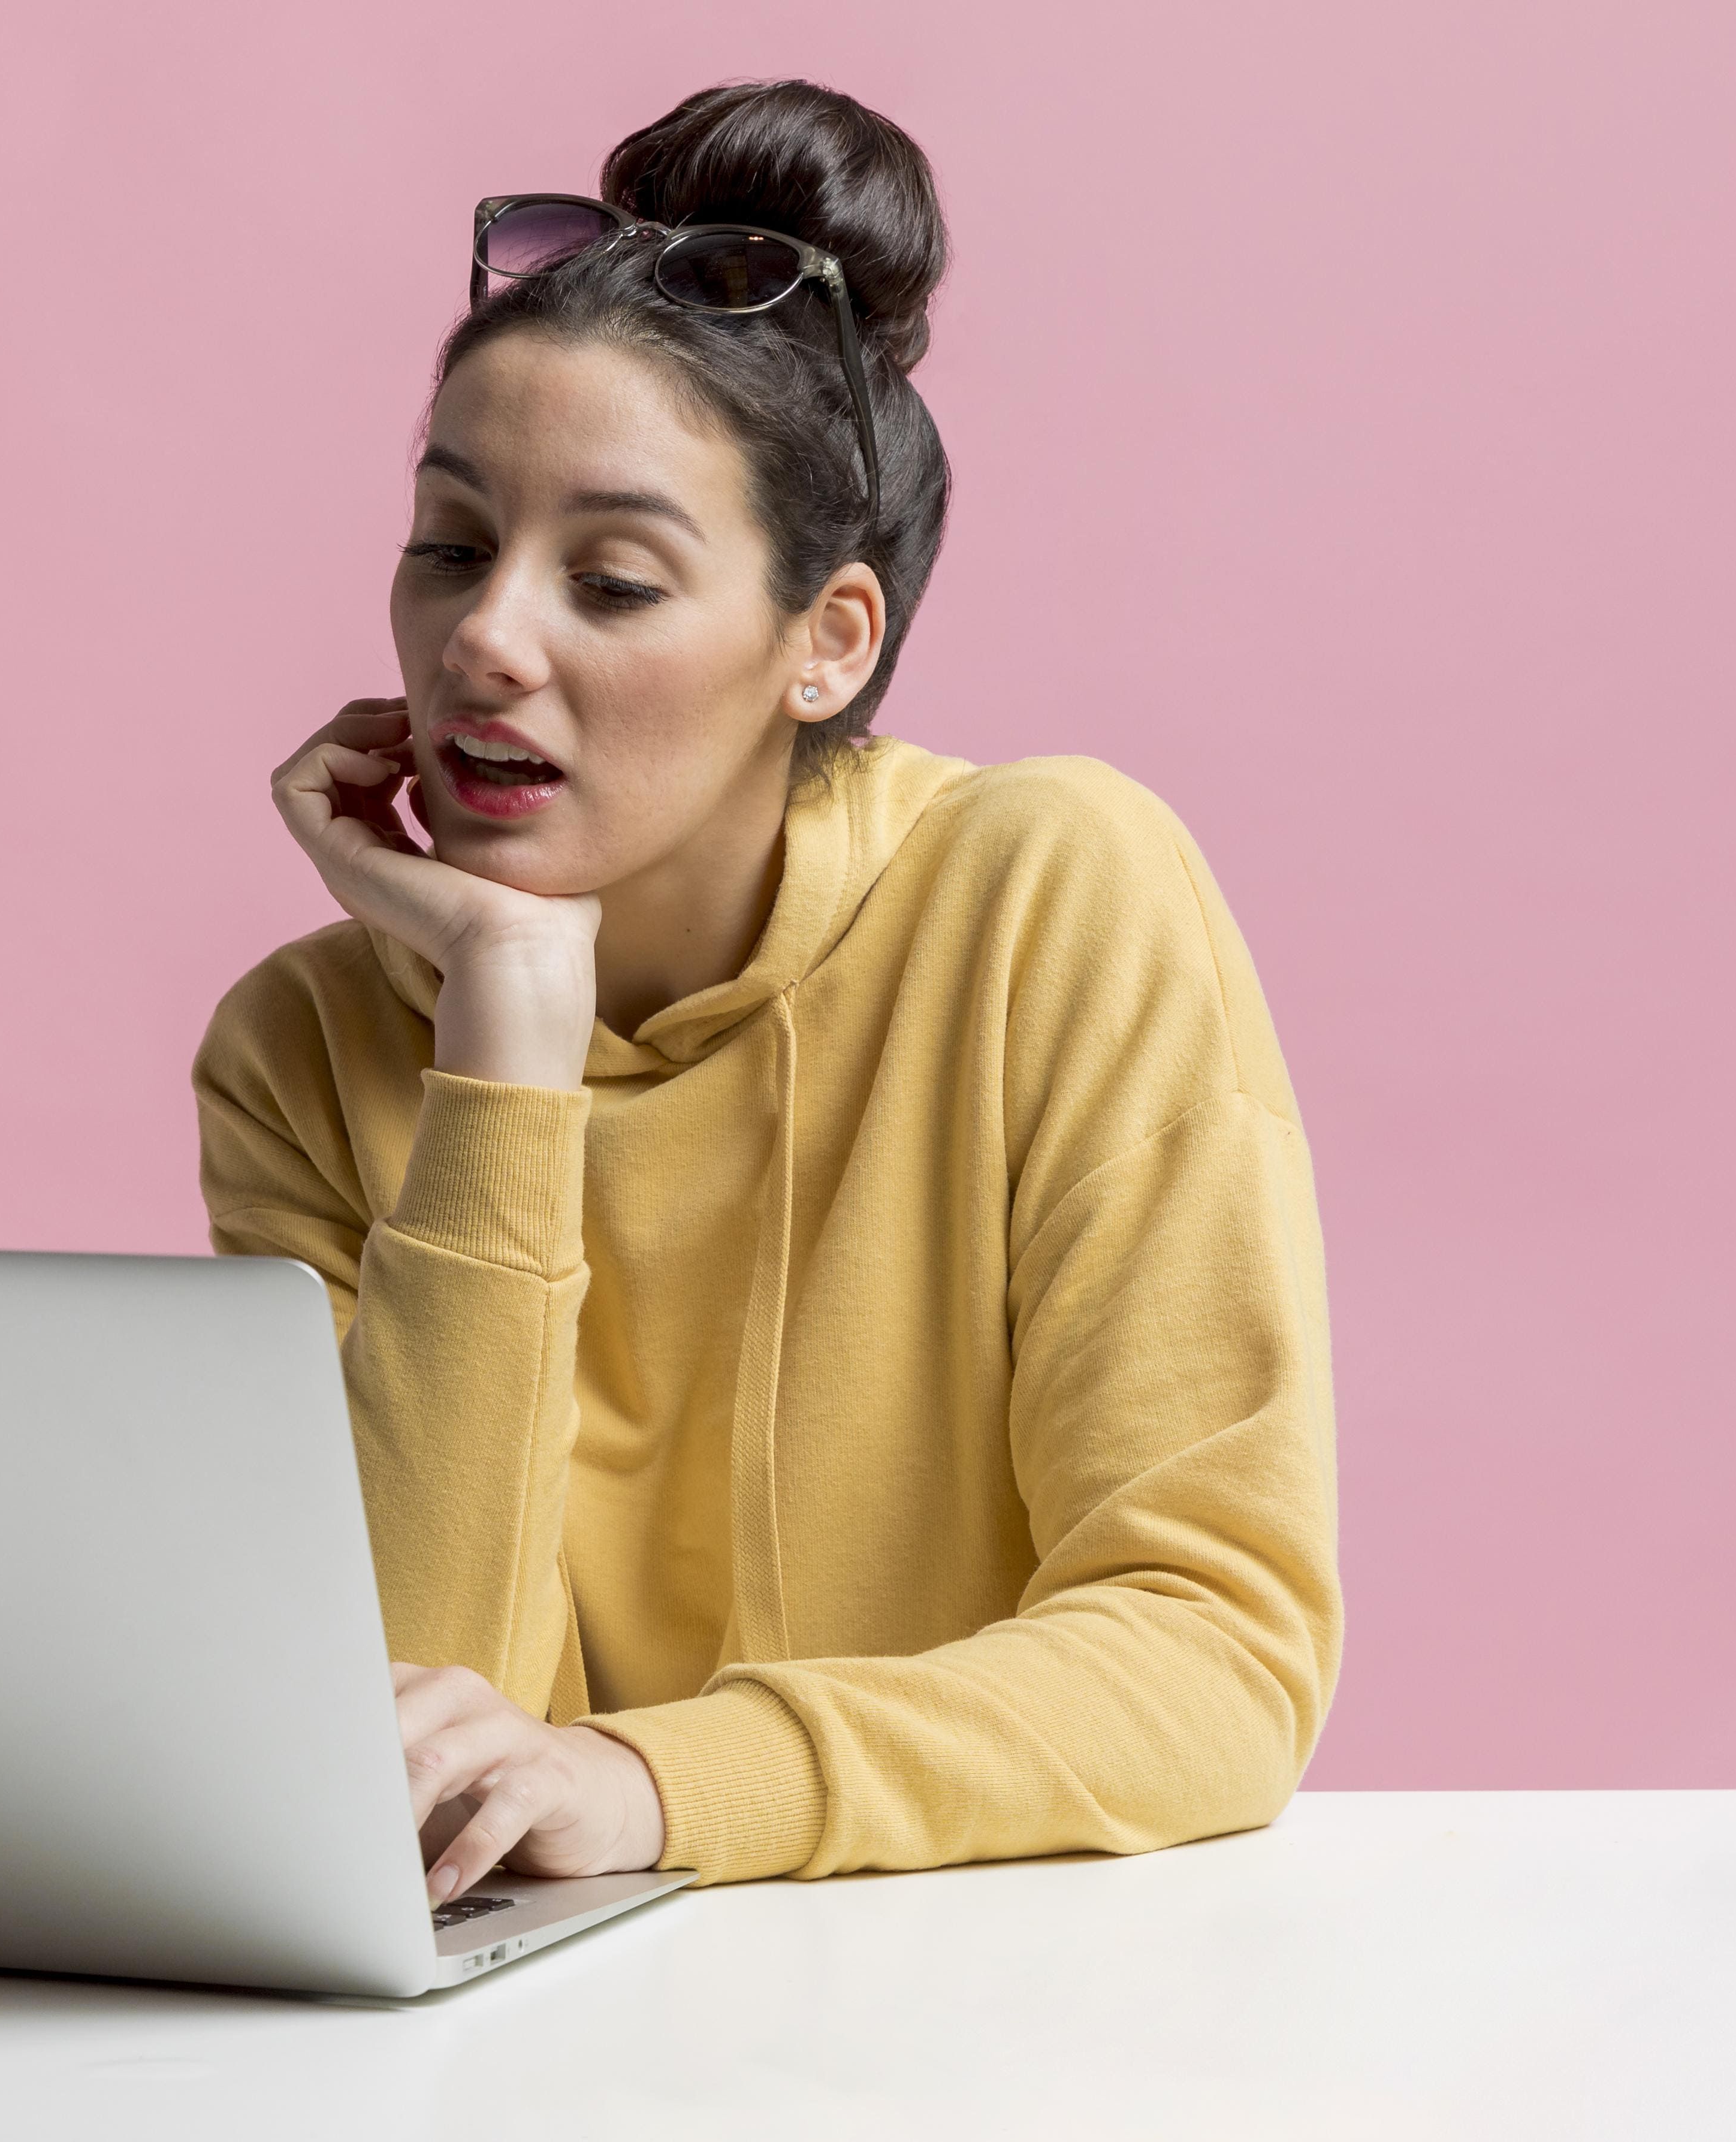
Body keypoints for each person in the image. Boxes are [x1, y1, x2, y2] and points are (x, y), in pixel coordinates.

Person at [197, 80, 1341, 1905]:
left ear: (830, 643)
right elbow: (400, 1755)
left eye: (615, 578)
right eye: (447, 544)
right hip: (516, 2049)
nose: (484, 639)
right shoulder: (304, 1050)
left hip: (993, 2008)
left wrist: (648, 1783)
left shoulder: (1047, 896)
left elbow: (1215, 1657)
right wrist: (505, 1045)